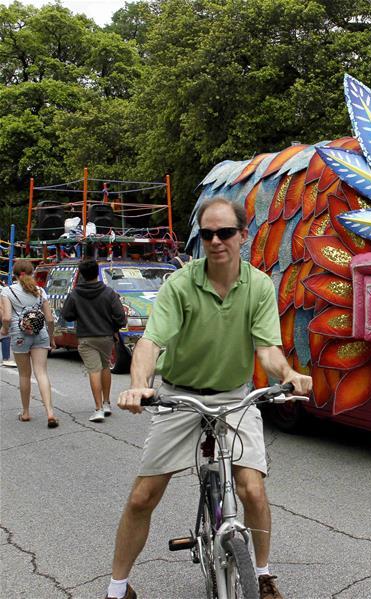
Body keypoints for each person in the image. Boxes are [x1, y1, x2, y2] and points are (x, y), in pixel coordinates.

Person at [108, 198, 313, 599]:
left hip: (234, 396)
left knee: (252, 488)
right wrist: (139, 384)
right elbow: (151, 342)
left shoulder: (257, 286)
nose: (216, 241)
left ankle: (265, 574)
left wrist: (288, 375)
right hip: (180, 397)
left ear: (242, 236)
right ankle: (117, 588)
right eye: (207, 234)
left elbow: (267, 349)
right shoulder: (180, 285)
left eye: (225, 233)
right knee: (142, 496)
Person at [61, 258, 127, 422]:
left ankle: (97, 409)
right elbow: (120, 317)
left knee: (94, 370)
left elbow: (67, 315)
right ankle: (106, 404)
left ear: (82, 274)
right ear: (97, 272)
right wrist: (114, 328)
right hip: (106, 336)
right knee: (105, 367)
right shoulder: (109, 292)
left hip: (86, 337)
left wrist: (81, 314)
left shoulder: (75, 293)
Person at [0, 260, 58, 427]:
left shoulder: (7, 291)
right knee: (42, 373)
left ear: (15, 274)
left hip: (19, 335)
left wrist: (4, 330)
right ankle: (50, 413)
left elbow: (7, 318)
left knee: (24, 374)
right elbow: (49, 319)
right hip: (41, 333)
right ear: (32, 273)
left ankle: (25, 412)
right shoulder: (40, 291)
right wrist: (52, 337)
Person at [1, 278, 14, 367]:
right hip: (2, 315)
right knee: (5, 336)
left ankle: (6, 358)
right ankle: (6, 359)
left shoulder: (3, 289)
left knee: (5, 336)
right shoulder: (3, 288)